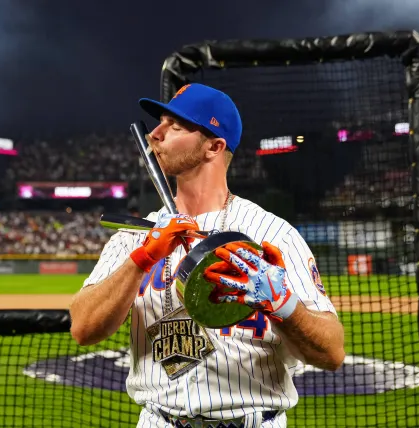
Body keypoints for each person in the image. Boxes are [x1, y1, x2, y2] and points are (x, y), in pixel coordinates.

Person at [69, 83, 345, 428]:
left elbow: (332, 353)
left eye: (175, 126)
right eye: (159, 123)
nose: (155, 134)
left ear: (214, 147)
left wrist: (282, 303)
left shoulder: (273, 234)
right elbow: (83, 328)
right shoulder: (135, 236)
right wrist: (141, 260)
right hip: (160, 421)